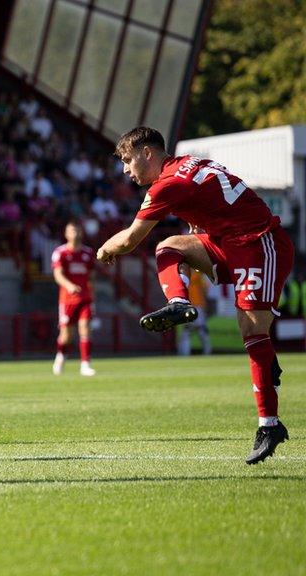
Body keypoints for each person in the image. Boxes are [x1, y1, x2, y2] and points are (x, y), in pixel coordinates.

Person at [97, 126, 293, 465]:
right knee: (170, 246)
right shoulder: (187, 163)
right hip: (228, 241)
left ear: (148, 153)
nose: (126, 170)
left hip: (260, 244)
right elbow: (211, 200)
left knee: (251, 331)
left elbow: (130, 240)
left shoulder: (168, 184)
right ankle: (179, 302)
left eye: (128, 160)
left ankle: (269, 426)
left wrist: (102, 250)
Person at [51, 221, 97, 376]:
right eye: (71, 230)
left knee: (85, 329)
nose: (75, 233)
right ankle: (60, 356)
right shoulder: (60, 253)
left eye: (77, 230)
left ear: (81, 232)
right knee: (66, 335)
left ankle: (85, 364)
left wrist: (92, 294)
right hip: (67, 299)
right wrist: (69, 286)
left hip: (85, 298)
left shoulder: (88, 253)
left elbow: (91, 277)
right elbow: (58, 275)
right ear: (66, 234)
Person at [177, 265, 212, 356]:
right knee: (187, 331)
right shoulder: (181, 273)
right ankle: (185, 354)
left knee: (201, 330)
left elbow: (205, 290)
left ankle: (207, 352)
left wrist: (205, 305)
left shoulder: (198, 274)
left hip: (198, 305)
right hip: (186, 305)